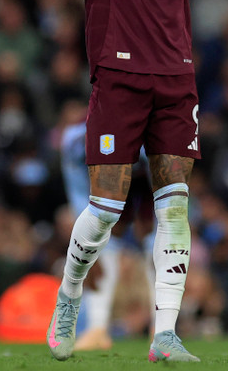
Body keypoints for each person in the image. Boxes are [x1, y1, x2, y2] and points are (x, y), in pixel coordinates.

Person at [50, 0, 228, 363]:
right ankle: (69, 296)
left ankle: (165, 334)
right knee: (106, 210)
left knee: (175, 207)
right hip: (119, 72)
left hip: (176, 74)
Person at [59, 118, 154, 352]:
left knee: (157, 242)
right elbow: (78, 191)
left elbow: (165, 179)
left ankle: (162, 328)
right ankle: (97, 328)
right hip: (101, 185)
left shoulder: (150, 135)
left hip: (147, 178)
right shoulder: (74, 142)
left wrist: (158, 221)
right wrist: (88, 240)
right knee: (96, 246)